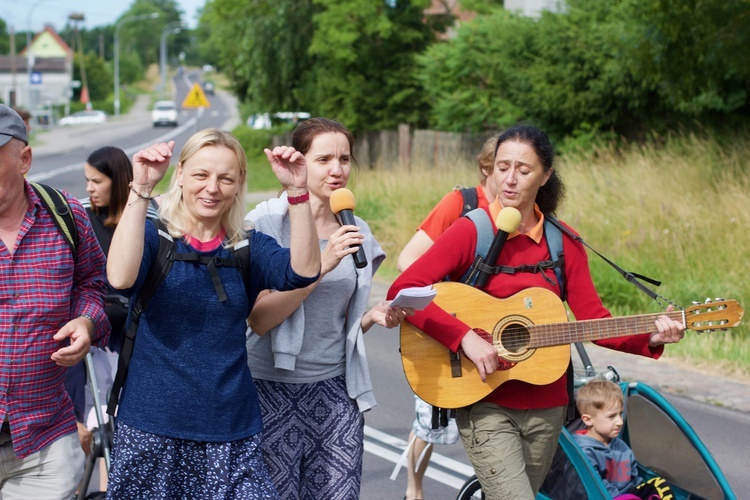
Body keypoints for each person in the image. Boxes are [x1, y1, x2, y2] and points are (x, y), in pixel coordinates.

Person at [387, 123, 686, 500]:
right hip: (485, 403)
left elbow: (595, 321)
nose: (509, 180)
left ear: (545, 175)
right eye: (502, 167)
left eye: (523, 170)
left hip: (548, 408)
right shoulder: (472, 230)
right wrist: (464, 338)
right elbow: (403, 291)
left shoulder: (564, 243)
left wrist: (652, 336)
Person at [105, 128, 321, 497]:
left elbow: (302, 270)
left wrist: (298, 193)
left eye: (225, 178)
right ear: (182, 175)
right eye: (201, 175)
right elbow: (120, 278)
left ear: (239, 185)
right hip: (152, 426)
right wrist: (141, 188)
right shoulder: (155, 237)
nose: (212, 188)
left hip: (231, 431)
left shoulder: (247, 246)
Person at [245, 117, 413, 499]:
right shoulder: (266, 224)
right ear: (298, 164)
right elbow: (259, 320)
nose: (337, 170)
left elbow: (341, 322)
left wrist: (370, 317)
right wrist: (320, 267)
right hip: (269, 387)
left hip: (336, 391)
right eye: (323, 160)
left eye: (345, 159)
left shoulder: (358, 230)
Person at [0, 104, 109, 497]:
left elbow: (92, 285)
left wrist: (86, 321)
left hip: (44, 441)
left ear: (24, 158)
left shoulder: (65, 215)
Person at [394, 135, 498, 500]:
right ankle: (414, 490)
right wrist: (456, 299)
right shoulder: (463, 203)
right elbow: (407, 263)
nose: (514, 178)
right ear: (487, 168)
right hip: (447, 329)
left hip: (492, 332)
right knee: (430, 425)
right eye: (503, 166)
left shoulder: (524, 212)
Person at [66, 146, 160, 488]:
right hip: (87, 327)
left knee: (118, 422)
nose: (89, 188)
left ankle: (110, 489)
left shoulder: (142, 221)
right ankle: (79, 487)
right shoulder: (81, 220)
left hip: (127, 332)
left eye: (97, 181)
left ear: (117, 181)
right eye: (87, 181)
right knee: (81, 423)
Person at [574, 379, 675, 499]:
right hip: (605, 497)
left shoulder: (621, 446)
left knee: (660, 485)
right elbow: (596, 488)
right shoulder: (583, 451)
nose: (620, 422)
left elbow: (635, 480)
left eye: (620, 414)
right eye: (611, 416)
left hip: (630, 495)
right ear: (588, 420)